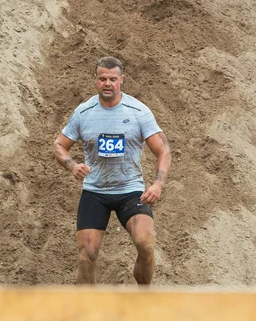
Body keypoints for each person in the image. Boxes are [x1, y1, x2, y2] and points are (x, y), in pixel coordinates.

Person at [52, 56, 171, 285]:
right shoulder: (84, 112)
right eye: (102, 78)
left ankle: (144, 295)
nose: (108, 83)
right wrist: (72, 165)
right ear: (96, 81)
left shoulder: (138, 111)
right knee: (87, 255)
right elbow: (59, 145)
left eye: (113, 79)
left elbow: (163, 150)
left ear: (122, 80)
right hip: (95, 191)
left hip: (130, 190)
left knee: (146, 244)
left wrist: (158, 184)